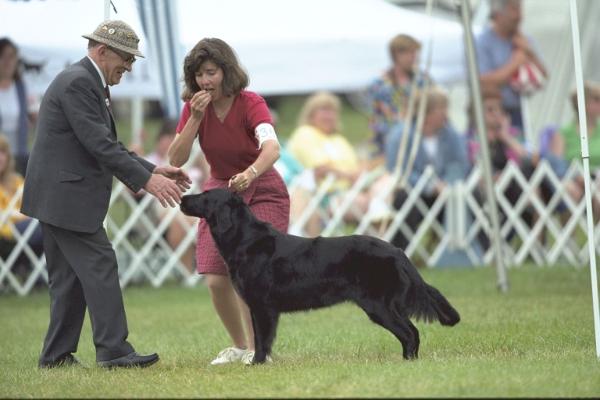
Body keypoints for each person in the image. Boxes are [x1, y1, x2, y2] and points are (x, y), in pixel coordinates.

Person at [20, 20, 191, 369]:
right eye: (126, 59)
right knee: (99, 264)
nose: (129, 67)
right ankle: (114, 350)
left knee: (69, 279)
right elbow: (98, 144)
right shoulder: (79, 83)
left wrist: (152, 169)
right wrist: (146, 180)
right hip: (65, 196)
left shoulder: (84, 82)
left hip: (58, 195)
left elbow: (106, 143)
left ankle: (56, 357)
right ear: (102, 51)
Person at [168, 38, 289, 365]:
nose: (205, 81)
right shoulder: (193, 108)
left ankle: (258, 349)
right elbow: (175, 158)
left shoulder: (250, 103)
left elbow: (272, 149)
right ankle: (240, 346)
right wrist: (194, 118)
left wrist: (250, 173)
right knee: (215, 277)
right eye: (198, 76)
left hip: (261, 186)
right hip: (220, 193)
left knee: (252, 273)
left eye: (211, 73)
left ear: (226, 71)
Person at [385, 86, 469, 250]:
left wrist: (446, 183)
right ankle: (401, 251)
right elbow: (398, 171)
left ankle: (469, 248)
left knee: (468, 196)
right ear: (427, 112)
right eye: (442, 109)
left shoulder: (451, 134)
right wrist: (430, 186)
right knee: (404, 199)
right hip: (413, 191)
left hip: (445, 191)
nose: (446, 113)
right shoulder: (400, 135)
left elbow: (461, 163)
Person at [286, 91, 372, 236]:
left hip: (346, 192)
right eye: (324, 110)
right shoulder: (304, 134)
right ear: (311, 114)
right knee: (371, 206)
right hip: (319, 197)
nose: (329, 115)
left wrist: (355, 173)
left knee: (378, 205)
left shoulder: (339, 139)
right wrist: (349, 175)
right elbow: (321, 168)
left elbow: (356, 166)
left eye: (332, 111)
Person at [144, 119, 208, 273]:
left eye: (176, 137)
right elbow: (132, 189)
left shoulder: (193, 162)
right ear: (159, 139)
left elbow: (209, 184)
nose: (172, 142)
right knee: (179, 222)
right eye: (169, 137)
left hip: (193, 206)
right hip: (163, 207)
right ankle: (187, 273)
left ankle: (209, 269)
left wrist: (202, 163)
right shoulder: (150, 161)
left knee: (203, 221)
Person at [475, 0, 547, 132]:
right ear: (498, 15)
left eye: (520, 9)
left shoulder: (524, 40)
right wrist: (515, 63)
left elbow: (544, 76)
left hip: (519, 110)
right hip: (491, 114)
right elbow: (482, 80)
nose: (519, 16)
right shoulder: (483, 43)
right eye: (514, 10)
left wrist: (530, 52)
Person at [367, 34, 423, 158]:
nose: (415, 58)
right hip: (390, 146)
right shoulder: (380, 85)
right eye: (411, 54)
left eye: (416, 54)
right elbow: (376, 120)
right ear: (397, 55)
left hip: (420, 145)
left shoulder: (422, 81)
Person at [0, 133, 43, 271]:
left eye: (3, 152)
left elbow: (33, 202)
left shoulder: (16, 180)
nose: (0, 157)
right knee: (49, 227)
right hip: (7, 230)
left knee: (49, 224)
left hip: (26, 225)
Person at [0, 38, 37, 176]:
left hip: (18, 156)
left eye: (11, 56)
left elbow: (35, 117)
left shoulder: (23, 88)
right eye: (3, 56)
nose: (7, 61)